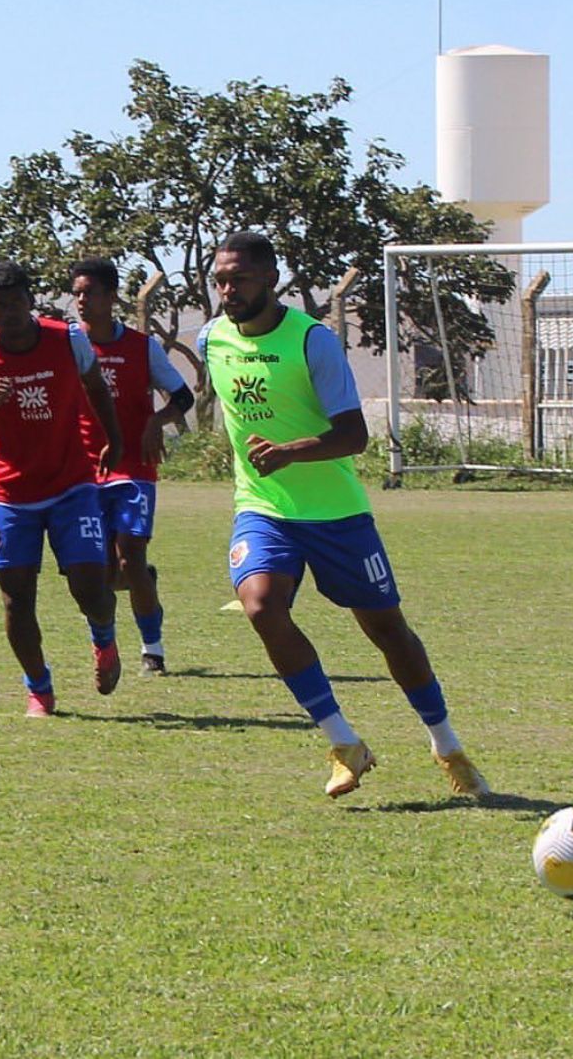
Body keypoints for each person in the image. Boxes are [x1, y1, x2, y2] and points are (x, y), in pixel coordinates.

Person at [198, 231, 489, 799]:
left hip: (337, 515)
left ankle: (447, 744)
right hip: (264, 509)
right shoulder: (211, 339)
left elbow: (353, 434)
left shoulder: (313, 342)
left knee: (387, 631)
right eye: (220, 280)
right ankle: (343, 742)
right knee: (261, 605)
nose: (227, 290)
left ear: (270, 278)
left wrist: (288, 452)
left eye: (238, 279)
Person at [0, 260, 124, 716]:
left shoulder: (68, 339)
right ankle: (38, 687)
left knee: (90, 588)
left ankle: (104, 635)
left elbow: (96, 388)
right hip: (12, 495)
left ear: (31, 303)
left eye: (18, 304)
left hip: (72, 485)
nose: (10, 314)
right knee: (16, 600)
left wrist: (113, 441)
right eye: (0, 307)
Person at [70, 258, 196, 675]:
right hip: (83, 473)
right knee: (101, 572)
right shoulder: (67, 346)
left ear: (111, 297)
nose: (81, 301)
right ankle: (137, 584)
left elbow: (183, 397)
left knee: (130, 557)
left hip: (134, 469)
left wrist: (155, 421)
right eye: (77, 293)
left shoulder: (141, 347)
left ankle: (152, 651)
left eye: (89, 292)